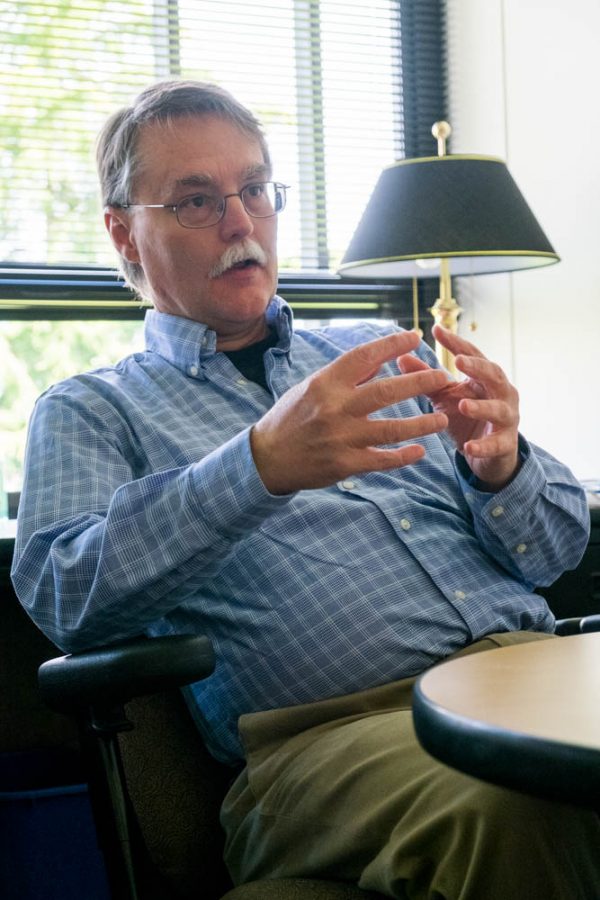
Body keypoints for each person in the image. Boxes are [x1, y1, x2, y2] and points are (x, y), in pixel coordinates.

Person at [11, 80, 600, 899]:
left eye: (254, 188)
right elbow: (63, 594)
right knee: (523, 806)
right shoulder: (93, 410)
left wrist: (500, 467)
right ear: (124, 234)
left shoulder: (378, 350)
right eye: (195, 201)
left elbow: (561, 551)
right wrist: (256, 467)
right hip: (334, 740)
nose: (240, 221)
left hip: (533, 672)